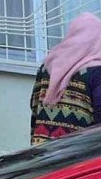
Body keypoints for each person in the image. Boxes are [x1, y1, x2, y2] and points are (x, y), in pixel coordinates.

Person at [29, 12, 101, 145]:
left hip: (43, 148)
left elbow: (34, 106)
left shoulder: (48, 66)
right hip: (76, 152)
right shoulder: (96, 72)